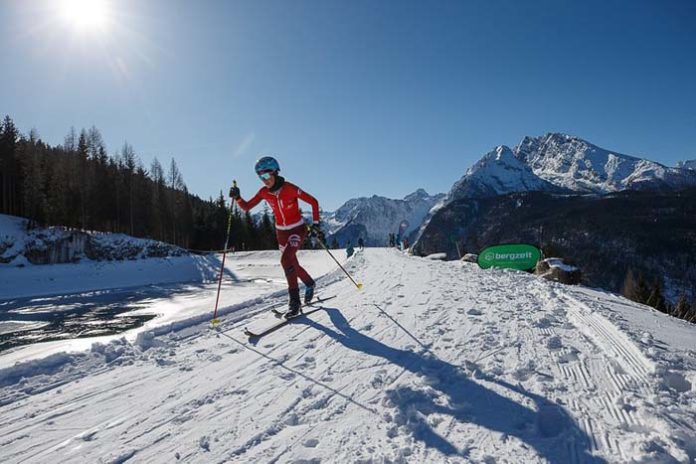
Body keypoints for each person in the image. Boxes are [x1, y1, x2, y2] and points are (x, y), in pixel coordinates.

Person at [229, 156, 323, 318]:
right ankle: (309, 283)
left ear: (274, 172)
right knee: (292, 263)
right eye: (260, 177)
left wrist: (315, 224)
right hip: (281, 233)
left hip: (297, 229)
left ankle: (294, 302)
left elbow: (313, 202)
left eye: (265, 176)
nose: (264, 180)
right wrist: (237, 197)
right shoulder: (264, 192)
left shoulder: (290, 188)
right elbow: (246, 207)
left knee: (286, 260)